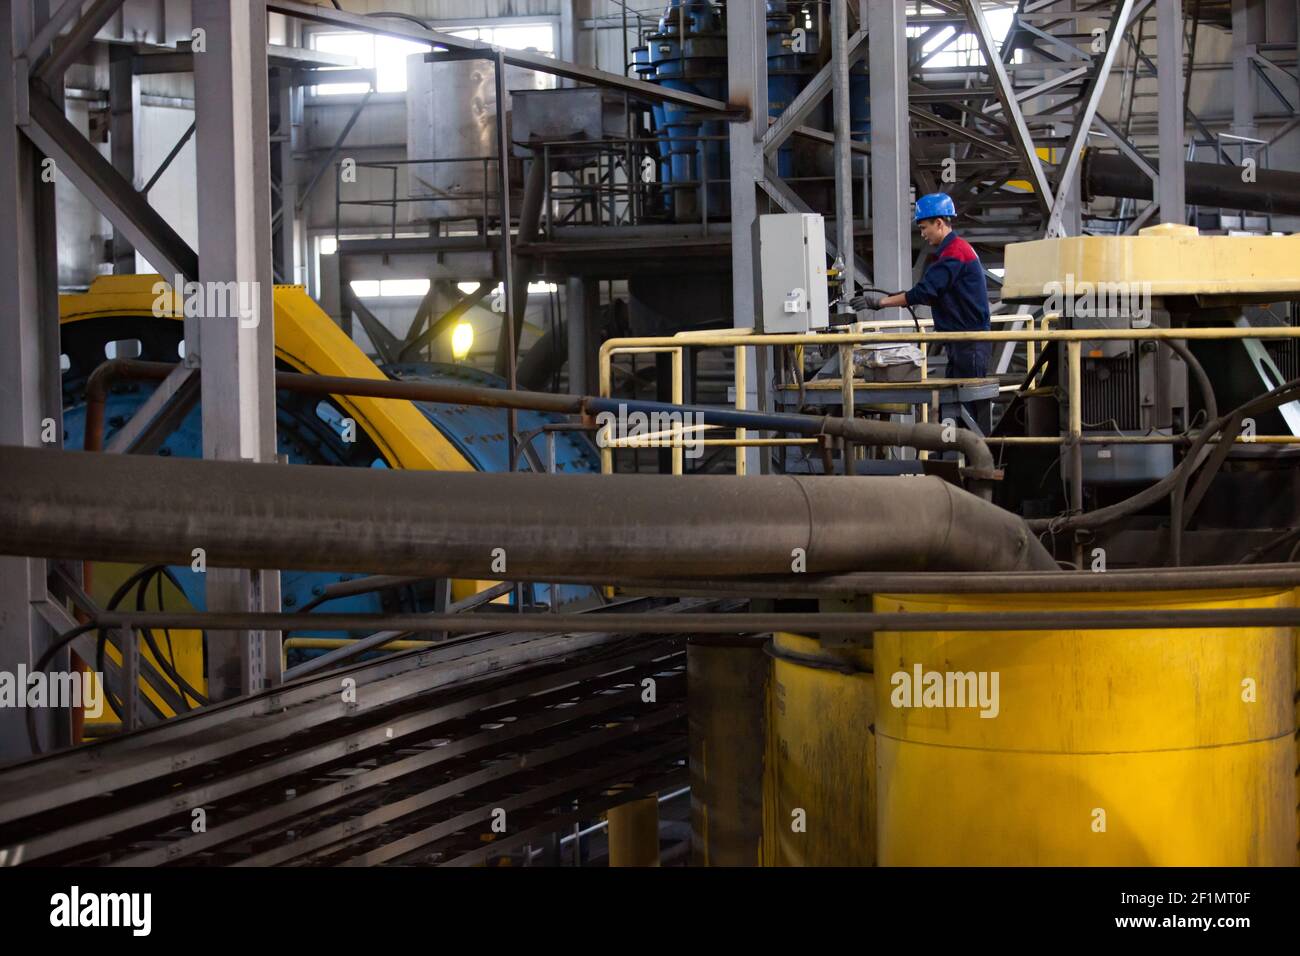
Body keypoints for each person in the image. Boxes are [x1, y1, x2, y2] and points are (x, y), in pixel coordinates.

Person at [851, 192, 993, 432]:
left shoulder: (954, 254)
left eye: (924, 227)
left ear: (939, 223)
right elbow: (931, 290)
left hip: (969, 344)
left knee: (970, 414)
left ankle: (978, 464)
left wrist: (880, 303)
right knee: (962, 411)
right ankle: (967, 463)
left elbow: (925, 292)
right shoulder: (955, 251)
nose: (923, 234)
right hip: (962, 343)